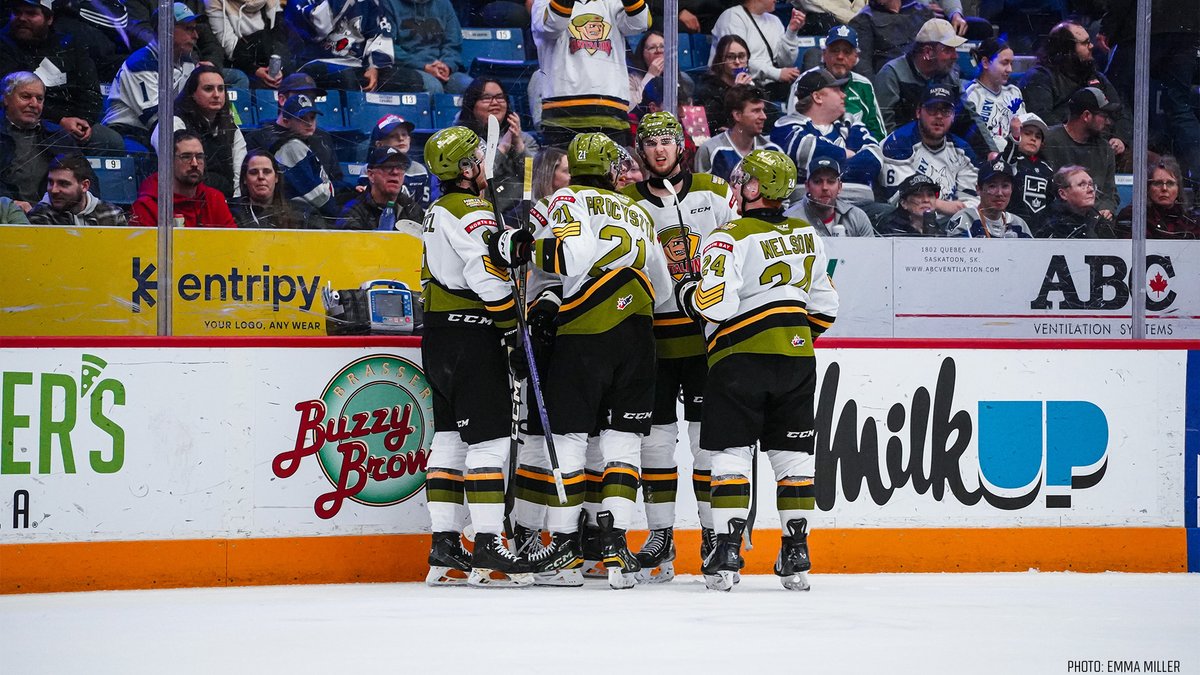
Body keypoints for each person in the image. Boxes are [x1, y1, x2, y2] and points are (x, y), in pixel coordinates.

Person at [490, 132, 672, 589]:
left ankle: (568, 549)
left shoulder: (565, 199)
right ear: (612, 169)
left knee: (568, 440)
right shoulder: (635, 210)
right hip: (638, 337)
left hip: (583, 334)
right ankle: (614, 549)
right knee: (623, 444)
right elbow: (665, 290)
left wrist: (521, 246)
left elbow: (571, 260)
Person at [675, 148, 838, 592]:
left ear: (753, 188)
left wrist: (689, 291)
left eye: (744, 179)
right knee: (794, 459)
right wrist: (790, 337)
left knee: (729, 455)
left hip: (738, 361)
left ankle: (727, 552)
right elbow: (826, 307)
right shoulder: (809, 235)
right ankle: (796, 552)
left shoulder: (728, 237)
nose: (737, 185)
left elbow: (719, 304)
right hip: (798, 359)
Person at [619, 112, 739, 583]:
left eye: (668, 141)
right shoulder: (628, 203)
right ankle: (662, 534)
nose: (660, 150)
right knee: (655, 443)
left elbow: (743, 250)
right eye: (651, 144)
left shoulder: (713, 191)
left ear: (682, 145)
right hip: (652, 342)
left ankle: (711, 537)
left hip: (707, 341)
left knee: (706, 443)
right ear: (641, 151)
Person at [419, 125, 533, 587]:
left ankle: (444, 545)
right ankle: (489, 543)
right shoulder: (470, 209)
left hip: (440, 337)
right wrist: (511, 331)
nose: (483, 164)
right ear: (466, 167)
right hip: (473, 333)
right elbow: (486, 276)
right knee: (488, 442)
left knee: (448, 438)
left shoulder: (436, 209)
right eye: (477, 158)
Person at [0, 0, 124, 155]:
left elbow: (90, 91)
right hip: (22, 121)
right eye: (17, 12)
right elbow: (8, 98)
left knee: (111, 141)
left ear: (49, 18)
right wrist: (59, 121)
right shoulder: (4, 45)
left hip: (71, 123)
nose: (22, 18)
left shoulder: (71, 44)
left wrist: (83, 122)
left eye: (31, 13)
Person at [531, 0, 650, 147]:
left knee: (614, 169)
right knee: (563, 169)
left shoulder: (612, 2)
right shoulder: (543, 2)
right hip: (562, 115)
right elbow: (553, 25)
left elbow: (640, 22)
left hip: (611, 113)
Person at [861, 84, 979, 216]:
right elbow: (902, 200)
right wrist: (946, 206)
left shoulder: (963, 150)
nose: (939, 116)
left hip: (952, 224)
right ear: (918, 112)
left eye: (946, 111)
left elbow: (975, 202)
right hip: (906, 225)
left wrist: (955, 209)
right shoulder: (898, 143)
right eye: (932, 110)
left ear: (953, 116)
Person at [1021, 21, 1132, 160]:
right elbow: (1043, 120)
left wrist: (1120, 138)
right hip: (1063, 152)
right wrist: (1080, 137)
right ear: (1067, 49)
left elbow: (1121, 111)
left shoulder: (1096, 77)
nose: (1091, 46)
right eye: (1085, 43)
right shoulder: (1040, 77)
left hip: (1103, 147)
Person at [103, 2, 200, 150]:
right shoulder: (140, 63)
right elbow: (156, 117)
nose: (196, 35)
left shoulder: (187, 61)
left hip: (158, 130)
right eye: (188, 29)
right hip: (126, 132)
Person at [151, 66, 247, 199]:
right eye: (208, 89)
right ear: (192, 94)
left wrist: (236, 205)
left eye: (221, 89)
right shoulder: (173, 123)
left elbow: (239, 175)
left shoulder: (232, 128)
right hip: (185, 200)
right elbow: (176, 171)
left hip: (224, 203)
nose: (216, 95)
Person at [771, 67, 879, 183]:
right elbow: (808, 150)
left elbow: (874, 157)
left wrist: (834, 164)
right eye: (836, 90)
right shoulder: (785, 126)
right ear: (817, 97)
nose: (844, 95)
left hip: (854, 199)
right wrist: (849, 154)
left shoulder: (849, 122)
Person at [286, 0, 419, 92]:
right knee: (346, 77)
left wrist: (374, 67)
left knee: (412, 80)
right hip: (313, 62)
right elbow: (317, 29)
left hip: (357, 65)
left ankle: (392, 132)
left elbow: (380, 33)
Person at [787, 25, 886, 143]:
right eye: (835, 50)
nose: (840, 57)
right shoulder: (806, 81)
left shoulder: (864, 85)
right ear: (824, 54)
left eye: (847, 52)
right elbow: (793, 128)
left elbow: (878, 134)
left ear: (856, 57)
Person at [246, 93, 339, 217]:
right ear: (286, 121)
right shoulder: (290, 147)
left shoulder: (303, 141)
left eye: (312, 117)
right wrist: (339, 215)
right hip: (309, 216)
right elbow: (317, 197)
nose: (309, 124)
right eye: (302, 119)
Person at [455, 78, 539, 214]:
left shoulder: (525, 139)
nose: (495, 103)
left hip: (523, 214)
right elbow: (476, 178)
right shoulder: (463, 141)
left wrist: (518, 145)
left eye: (500, 97)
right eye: (486, 98)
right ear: (472, 104)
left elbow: (537, 178)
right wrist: (503, 147)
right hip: (481, 212)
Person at [0, 72, 78, 209]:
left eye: (39, 99)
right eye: (26, 97)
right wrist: (8, 204)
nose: (34, 104)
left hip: (51, 215)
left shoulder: (58, 136)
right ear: (6, 99)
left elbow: (85, 177)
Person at [849, 0, 987, 76]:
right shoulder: (863, 20)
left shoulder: (922, 11)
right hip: (893, 84)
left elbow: (944, 51)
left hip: (930, 81)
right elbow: (863, 68)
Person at [130, 130, 238, 228]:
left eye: (199, 157)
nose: (195, 164)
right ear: (168, 161)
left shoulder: (214, 199)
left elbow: (232, 244)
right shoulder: (147, 205)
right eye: (186, 157)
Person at [874, 18, 964, 133]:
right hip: (900, 146)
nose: (955, 56)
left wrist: (989, 150)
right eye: (947, 50)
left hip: (941, 146)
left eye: (955, 50)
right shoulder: (892, 74)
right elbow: (883, 126)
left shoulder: (950, 76)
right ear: (928, 52)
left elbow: (970, 118)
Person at [1040, 87, 1119, 218]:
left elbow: (1110, 194)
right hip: (1056, 223)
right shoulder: (1047, 141)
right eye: (1103, 116)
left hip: (1094, 225)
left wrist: (1107, 208)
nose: (1108, 122)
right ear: (1086, 116)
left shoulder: (1105, 149)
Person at [709, 0, 804, 99]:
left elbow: (785, 63)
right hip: (737, 86)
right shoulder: (732, 17)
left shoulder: (775, 21)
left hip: (771, 86)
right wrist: (777, 74)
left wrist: (791, 32)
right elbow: (737, 62)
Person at [694, 85, 779, 184]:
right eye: (756, 111)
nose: (763, 116)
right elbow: (700, 195)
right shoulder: (710, 150)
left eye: (763, 110)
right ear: (737, 115)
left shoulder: (773, 152)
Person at [384, 0, 474, 94]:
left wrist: (447, 65)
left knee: (473, 88)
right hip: (408, 69)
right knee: (433, 87)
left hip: (441, 67)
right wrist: (423, 66)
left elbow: (453, 43)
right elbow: (389, 47)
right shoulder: (388, 3)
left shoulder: (444, 3)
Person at [959, 37, 1025, 158]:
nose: (1010, 69)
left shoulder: (1014, 92)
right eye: (1004, 63)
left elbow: (1025, 131)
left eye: (1011, 63)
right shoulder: (971, 93)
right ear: (985, 63)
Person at [783, 156, 876, 236]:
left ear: (839, 186)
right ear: (807, 186)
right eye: (817, 181)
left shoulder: (857, 217)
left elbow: (872, 255)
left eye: (831, 181)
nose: (825, 187)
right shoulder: (790, 220)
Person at [26, 154, 128, 227]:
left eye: (64, 184)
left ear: (84, 186)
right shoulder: (39, 216)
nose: (54, 190)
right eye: (50, 182)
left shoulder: (112, 214)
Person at [335, 146, 423, 231]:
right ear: (371, 175)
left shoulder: (411, 209)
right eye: (388, 166)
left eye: (400, 167)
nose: (395, 172)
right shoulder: (353, 211)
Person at [206, 0, 288, 90]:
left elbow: (280, 36)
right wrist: (255, 70)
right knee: (240, 78)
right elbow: (229, 47)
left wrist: (277, 67)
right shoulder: (213, 1)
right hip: (238, 61)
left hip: (269, 58)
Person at [230, 149, 319, 228]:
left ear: (276, 177)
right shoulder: (231, 212)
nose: (261, 177)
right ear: (245, 179)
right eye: (254, 172)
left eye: (267, 172)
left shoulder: (303, 213)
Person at [1115, 156, 1198, 239]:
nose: (1164, 189)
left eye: (1170, 183)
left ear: (1178, 188)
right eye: (1158, 183)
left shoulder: (1189, 221)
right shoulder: (1133, 216)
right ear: (1148, 188)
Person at [946, 159, 1033, 237]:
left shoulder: (1019, 225)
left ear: (1012, 190)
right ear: (978, 189)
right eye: (992, 186)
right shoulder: (965, 220)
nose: (999, 193)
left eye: (1005, 186)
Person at [1001, 112, 1055, 235]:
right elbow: (1007, 162)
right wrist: (1014, 137)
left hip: (1040, 227)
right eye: (1027, 133)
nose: (1033, 138)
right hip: (1013, 225)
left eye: (1038, 136)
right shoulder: (1011, 159)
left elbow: (1051, 200)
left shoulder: (1047, 168)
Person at [693, 35, 755, 134]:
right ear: (720, 60)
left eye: (742, 56)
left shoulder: (752, 88)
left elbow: (768, 120)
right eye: (730, 57)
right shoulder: (707, 89)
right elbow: (712, 126)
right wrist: (736, 93)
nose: (737, 62)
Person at [370, 113, 433, 210]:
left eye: (404, 134)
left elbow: (423, 209)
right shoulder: (370, 170)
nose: (401, 139)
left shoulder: (420, 170)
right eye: (393, 136)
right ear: (379, 144)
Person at [627, 31, 695, 116]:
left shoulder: (684, 79)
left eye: (662, 47)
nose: (658, 51)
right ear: (642, 54)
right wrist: (650, 76)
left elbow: (688, 113)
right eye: (652, 48)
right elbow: (629, 107)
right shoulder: (632, 79)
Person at [1040, 165, 1116, 238]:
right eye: (1082, 185)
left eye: (1091, 184)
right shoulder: (1051, 223)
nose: (1091, 190)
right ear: (1063, 194)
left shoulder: (1097, 220)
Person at [875, 172, 946, 235]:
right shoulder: (890, 230)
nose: (926, 200)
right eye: (918, 195)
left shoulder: (939, 230)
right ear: (903, 203)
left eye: (930, 195)